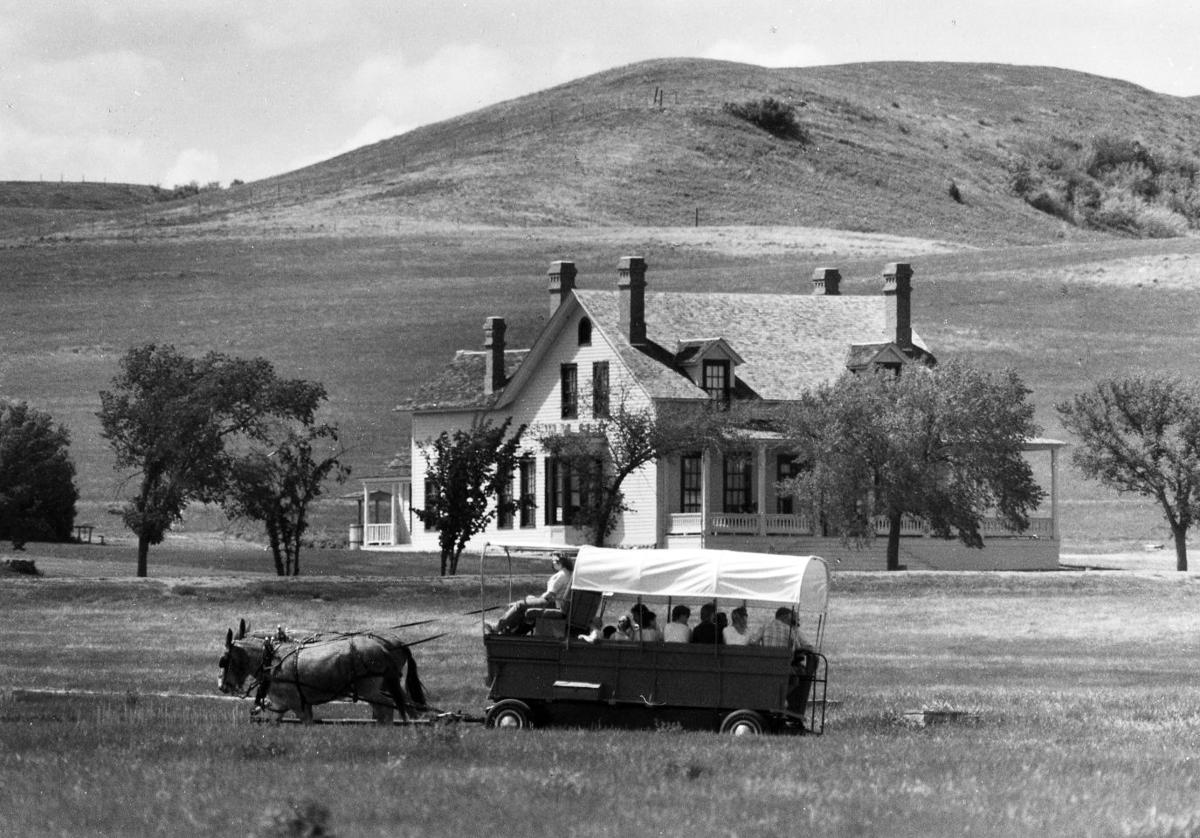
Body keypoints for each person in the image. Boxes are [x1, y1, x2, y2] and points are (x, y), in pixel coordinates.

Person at [487, 553, 574, 635]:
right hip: (559, 604)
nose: (552, 564)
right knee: (528, 599)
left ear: (560, 561)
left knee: (520, 604)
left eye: (554, 561)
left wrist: (538, 599)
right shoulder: (569, 573)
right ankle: (509, 630)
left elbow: (550, 594)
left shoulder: (562, 575)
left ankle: (497, 627)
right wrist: (533, 599)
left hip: (554, 604)